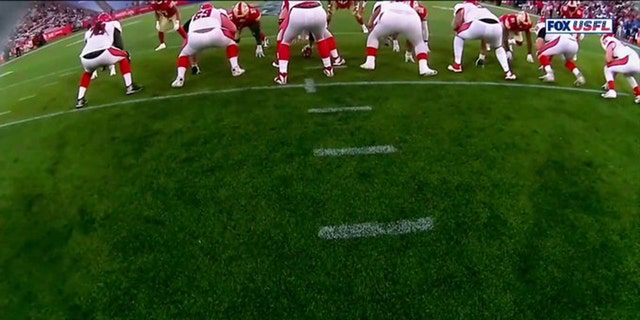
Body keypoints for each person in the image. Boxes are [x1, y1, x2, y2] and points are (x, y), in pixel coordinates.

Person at [75, 13, 142, 109]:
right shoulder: (113, 24)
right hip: (105, 52)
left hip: (85, 58)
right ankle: (130, 86)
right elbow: (119, 45)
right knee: (124, 56)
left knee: (87, 73)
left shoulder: (89, 31)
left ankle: (80, 99)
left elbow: (89, 46)